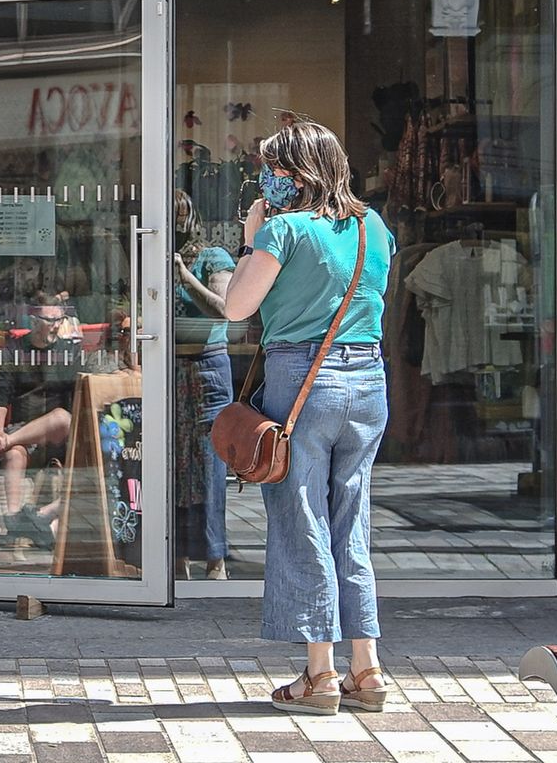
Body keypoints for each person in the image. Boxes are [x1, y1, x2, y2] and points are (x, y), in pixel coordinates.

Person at [221, 119, 398, 715]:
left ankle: (319, 675)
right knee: (353, 520)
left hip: (303, 381)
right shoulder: (373, 226)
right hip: (367, 380)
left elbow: (235, 305)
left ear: (295, 175)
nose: (263, 178)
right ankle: (366, 667)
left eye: (270, 168)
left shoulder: (284, 229)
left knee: (302, 522)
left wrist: (251, 240)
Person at [170, 189, 237, 580]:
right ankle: (177, 555)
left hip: (207, 366)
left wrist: (186, 277)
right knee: (174, 463)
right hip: (172, 369)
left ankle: (215, 558)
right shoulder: (158, 255)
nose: (175, 226)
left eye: (179, 217)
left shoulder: (213, 257)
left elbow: (225, 309)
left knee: (209, 464)